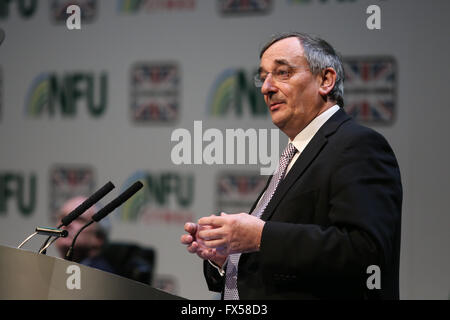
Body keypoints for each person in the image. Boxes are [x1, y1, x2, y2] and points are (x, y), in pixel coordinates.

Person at [181, 32, 402, 300]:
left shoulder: (358, 145)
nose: (266, 88)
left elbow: (367, 253)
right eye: (263, 77)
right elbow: (288, 261)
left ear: (326, 80)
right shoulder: (298, 153)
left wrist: (261, 236)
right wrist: (230, 258)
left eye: (282, 73)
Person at [55, 196, 116, 274]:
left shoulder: (104, 278)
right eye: (63, 217)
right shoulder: (50, 269)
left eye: (79, 219)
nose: (67, 223)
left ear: (98, 238)